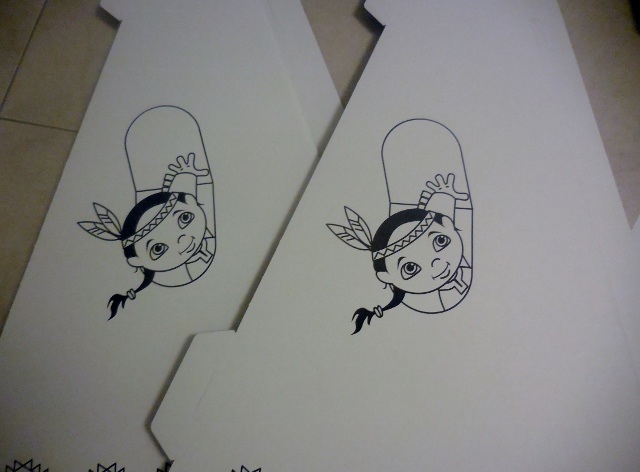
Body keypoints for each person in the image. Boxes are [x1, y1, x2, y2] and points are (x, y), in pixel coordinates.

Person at [328, 173, 471, 334]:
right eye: (410, 268)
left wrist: (444, 196)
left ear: (448, 224)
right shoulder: (416, 308)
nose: (437, 265)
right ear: (387, 277)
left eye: (440, 241)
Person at [79, 153, 215, 319]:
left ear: (191, 201)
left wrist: (188, 175)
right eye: (158, 249)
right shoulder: (168, 284)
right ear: (137, 262)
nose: (182, 240)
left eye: (185, 218)